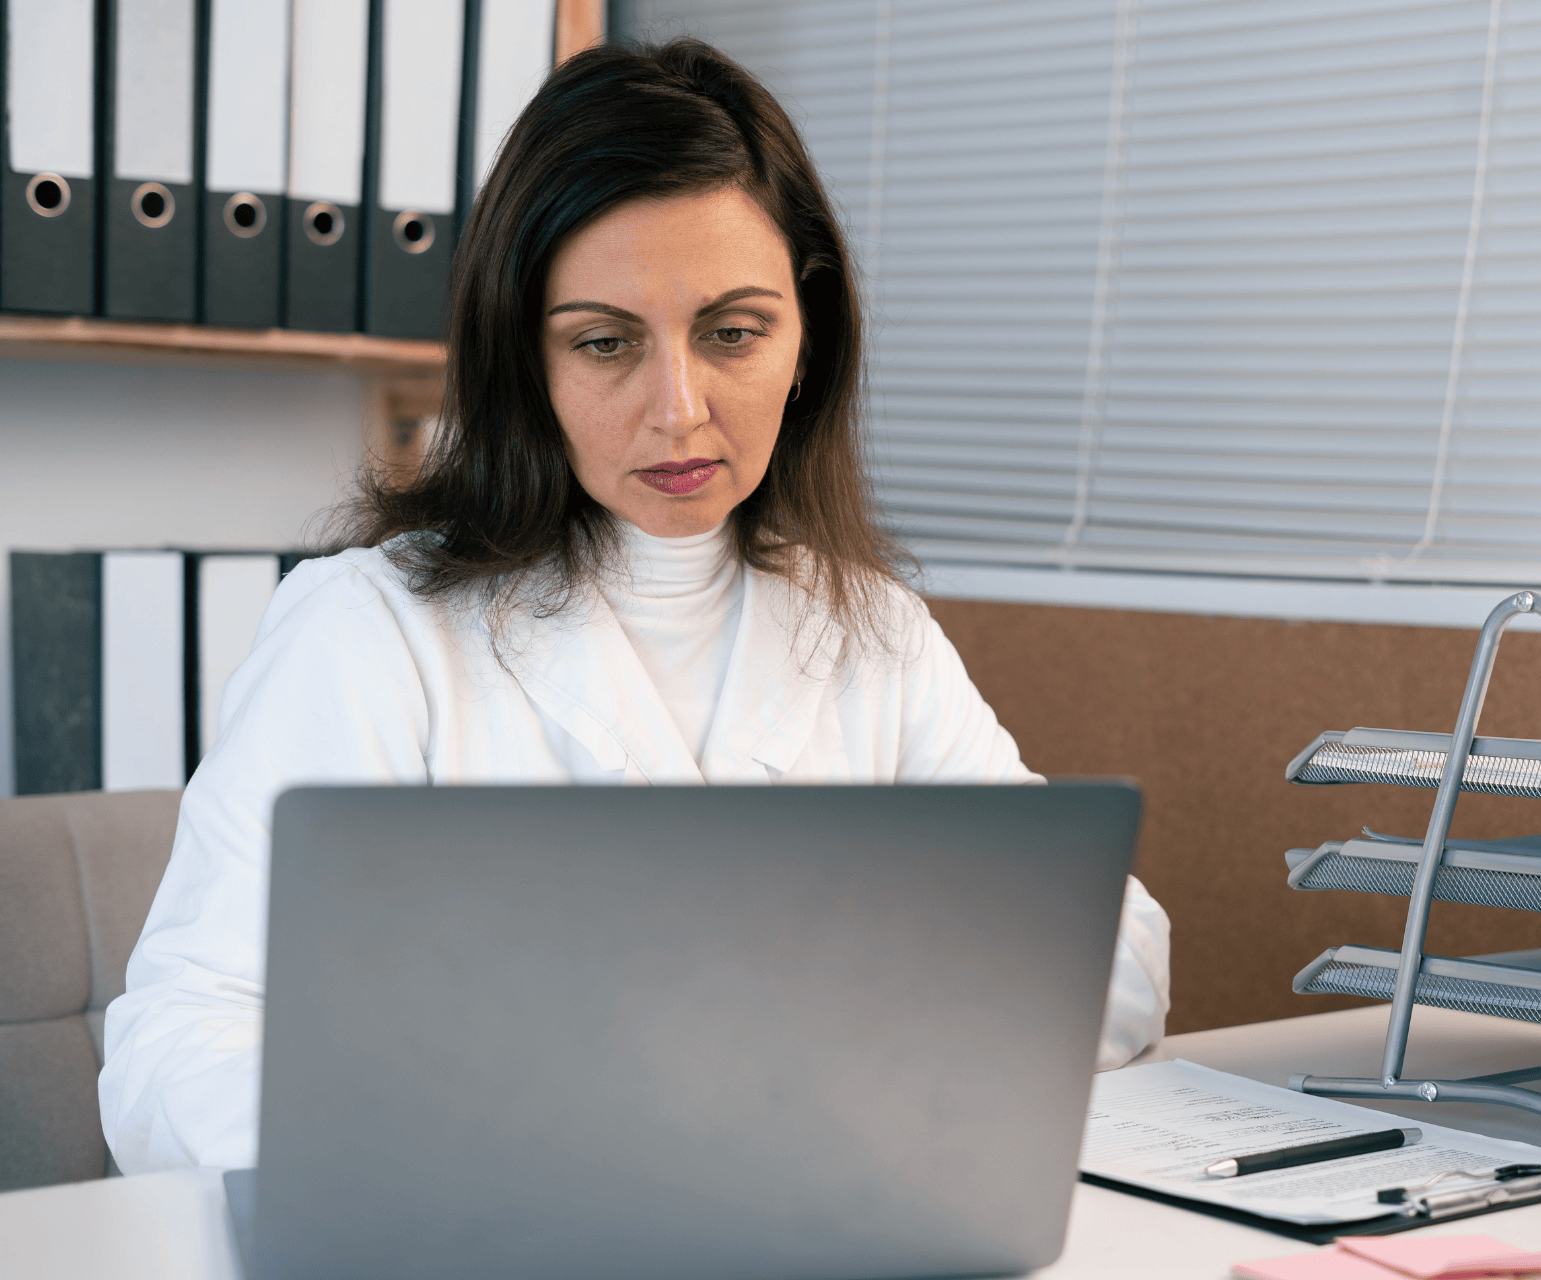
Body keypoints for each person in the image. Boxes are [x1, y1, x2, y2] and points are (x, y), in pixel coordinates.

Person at [98, 38, 1172, 1175]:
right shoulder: (369, 630)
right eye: (607, 343)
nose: (679, 409)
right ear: (528, 358)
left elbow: (1110, 953)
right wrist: (470, 1131)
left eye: (732, 332)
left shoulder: (873, 631)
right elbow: (179, 1044)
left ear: (805, 337)